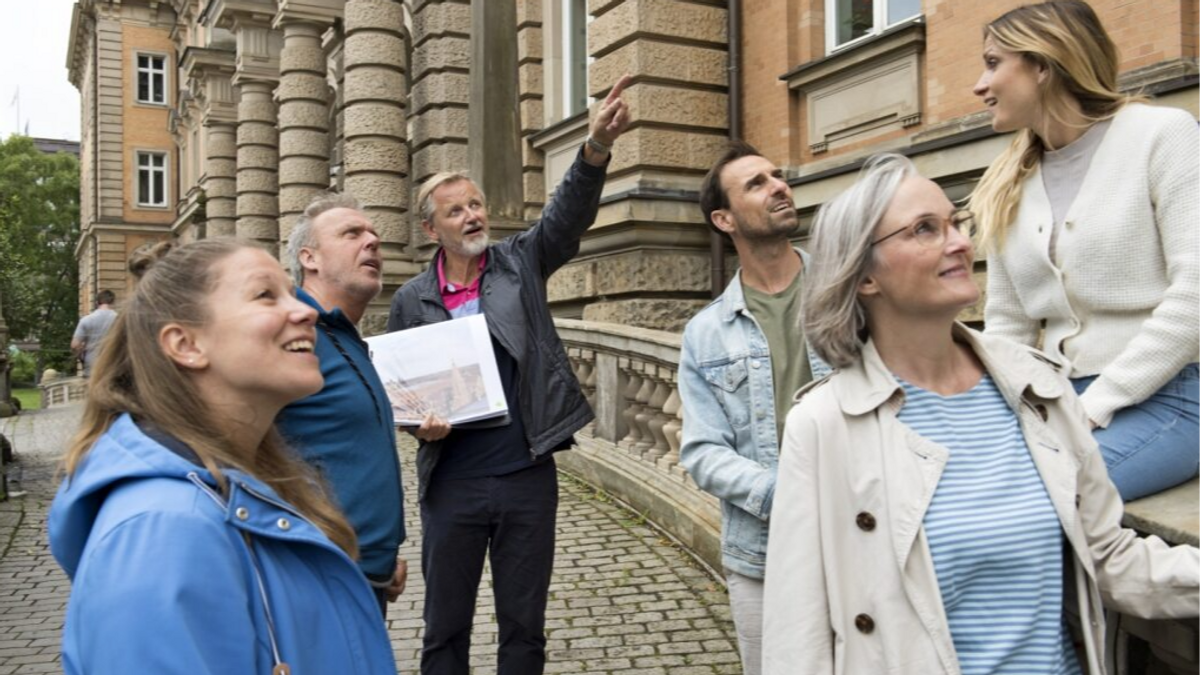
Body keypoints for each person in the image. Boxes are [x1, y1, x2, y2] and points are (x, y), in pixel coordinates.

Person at [761, 153, 1200, 675]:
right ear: (864, 277)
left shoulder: (1039, 389)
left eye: (956, 223)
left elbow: (1110, 559)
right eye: (925, 229)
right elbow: (797, 630)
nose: (960, 243)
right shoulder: (826, 424)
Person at [48, 239, 396, 674]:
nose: (305, 311)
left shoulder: (262, 482)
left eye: (291, 292)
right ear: (186, 344)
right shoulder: (164, 531)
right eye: (265, 295)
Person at [386, 73, 632, 675]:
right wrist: (418, 425)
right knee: (445, 626)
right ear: (431, 230)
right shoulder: (411, 300)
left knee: (524, 626)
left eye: (475, 205)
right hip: (452, 483)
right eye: (456, 211)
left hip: (526, 474)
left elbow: (566, 218)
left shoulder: (520, 263)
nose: (472, 216)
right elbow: (402, 392)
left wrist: (595, 148)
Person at [970, 0, 1200, 501]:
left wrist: (1093, 406)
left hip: (1172, 398)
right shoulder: (1005, 180)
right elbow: (1008, 325)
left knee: (1035, 501)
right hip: (1057, 400)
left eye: (992, 63)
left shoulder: (1163, 135)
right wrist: (993, 418)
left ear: (1043, 64)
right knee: (958, 490)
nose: (979, 86)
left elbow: (1195, 294)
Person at [678, 141, 827, 675]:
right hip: (763, 553)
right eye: (757, 184)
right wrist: (787, 496)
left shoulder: (847, 291)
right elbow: (702, 451)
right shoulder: (706, 333)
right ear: (724, 219)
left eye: (777, 176)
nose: (779, 186)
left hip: (861, 530)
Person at [277, 193, 437, 616]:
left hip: (366, 576)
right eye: (351, 233)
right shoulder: (291, 332)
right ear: (309, 258)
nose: (372, 242)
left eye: (374, 234)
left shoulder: (345, 336)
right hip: (318, 577)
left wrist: (382, 558)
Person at [71, 289, 116, 376]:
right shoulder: (120, 320)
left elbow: (75, 345)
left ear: (97, 303)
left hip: (92, 365)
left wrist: (81, 356)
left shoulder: (86, 320)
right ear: (113, 302)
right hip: (113, 366)